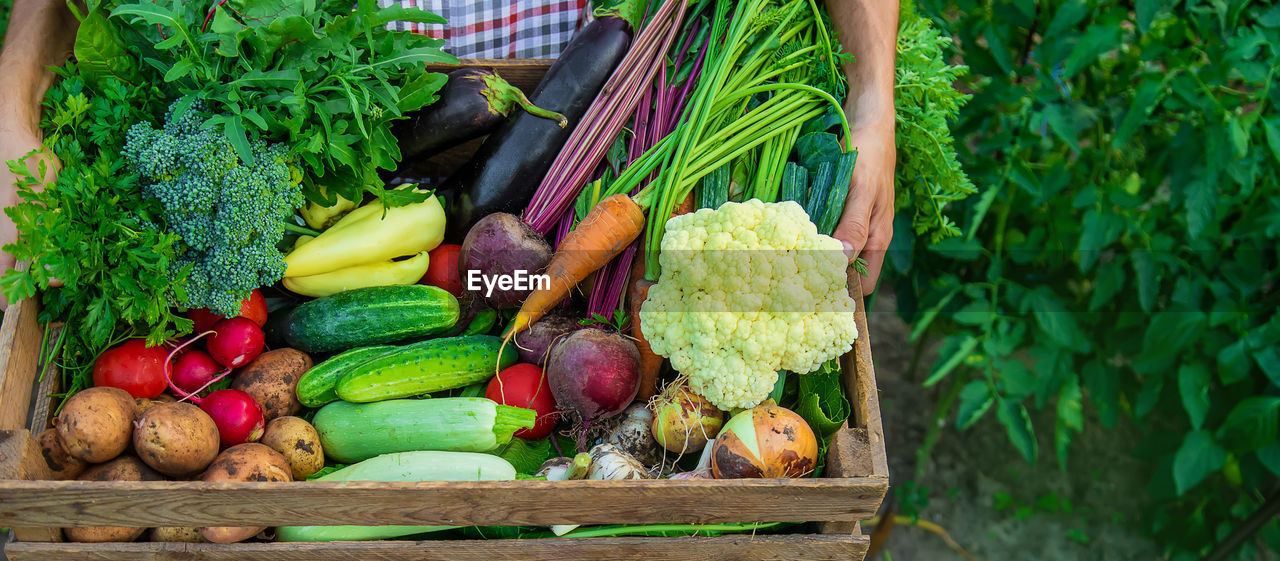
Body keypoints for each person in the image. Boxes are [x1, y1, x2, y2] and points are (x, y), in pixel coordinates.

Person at [0, 0, 896, 305]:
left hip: (584, 89)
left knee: (485, 268)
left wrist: (871, 95)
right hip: (288, 100)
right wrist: (12, 103)